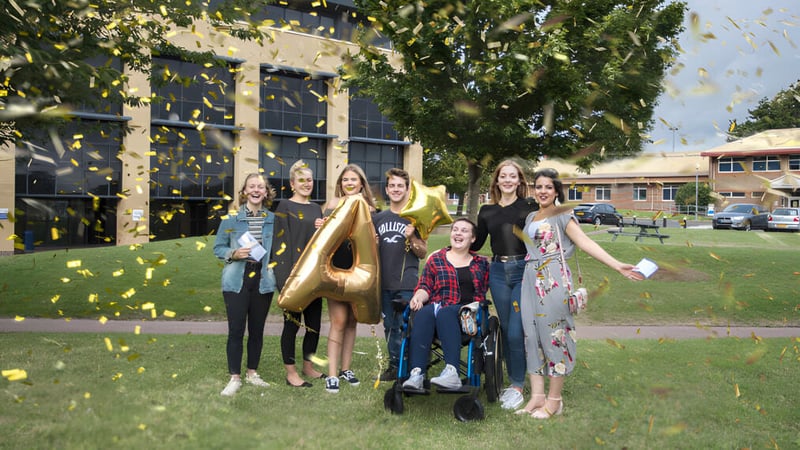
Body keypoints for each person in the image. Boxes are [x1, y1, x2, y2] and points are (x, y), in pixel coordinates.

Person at [517, 168, 642, 418]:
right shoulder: (531, 216)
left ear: (556, 191)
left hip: (552, 278)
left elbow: (586, 242)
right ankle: (537, 396)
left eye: (548, 187)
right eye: (539, 187)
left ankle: (554, 401)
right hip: (529, 278)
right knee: (530, 336)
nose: (543, 191)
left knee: (554, 335)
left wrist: (617, 265)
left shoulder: (563, 215)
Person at [470, 159, 537, 410]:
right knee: (507, 328)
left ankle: (517, 385)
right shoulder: (487, 211)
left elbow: (543, 233)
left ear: (519, 181)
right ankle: (514, 379)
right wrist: (453, 245)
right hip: (497, 273)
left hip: (523, 272)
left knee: (516, 331)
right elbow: (477, 244)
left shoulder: (529, 207)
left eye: (512, 176)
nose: (508, 180)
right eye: (503, 176)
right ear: (497, 181)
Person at [402, 218, 490, 391]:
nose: (458, 233)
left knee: (446, 312)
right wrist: (418, 297)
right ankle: (416, 374)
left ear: (472, 238)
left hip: (467, 315)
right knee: (424, 313)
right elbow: (425, 286)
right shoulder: (436, 259)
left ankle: (452, 373)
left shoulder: (481, 263)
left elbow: (485, 291)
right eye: (455, 229)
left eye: (464, 230)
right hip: (438, 309)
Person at [213, 173, 277, 396]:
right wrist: (234, 253)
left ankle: (252, 373)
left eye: (260, 186)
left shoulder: (273, 219)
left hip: (263, 279)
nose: (256, 190)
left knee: (257, 329)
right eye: (252, 186)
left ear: (266, 192)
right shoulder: (231, 219)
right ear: (244, 191)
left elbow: (278, 250)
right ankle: (234, 378)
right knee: (236, 329)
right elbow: (218, 248)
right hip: (236, 279)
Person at [322, 163, 377, 393]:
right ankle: (332, 374)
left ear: (361, 183)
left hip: (360, 272)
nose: (349, 183)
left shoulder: (370, 208)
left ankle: (346, 369)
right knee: (339, 321)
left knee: (353, 321)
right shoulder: (332, 204)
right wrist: (320, 225)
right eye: (345, 180)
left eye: (354, 179)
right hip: (336, 269)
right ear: (340, 184)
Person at [272, 160, 325, 388]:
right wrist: (284, 280)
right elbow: (279, 245)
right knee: (292, 325)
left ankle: (308, 366)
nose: (306, 184)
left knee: (314, 325)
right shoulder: (284, 206)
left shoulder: (316, 208)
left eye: (310, 180)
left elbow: (319, 243)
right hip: (293, 278)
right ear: (292, 184)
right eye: (301, 180)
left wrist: (322, 229)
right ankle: (291, 373)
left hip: (314, 276)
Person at [373, 168, 428, 381]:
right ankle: (395, 366)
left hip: (407, 282)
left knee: (407, 326)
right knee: (389, 326)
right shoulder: (378, 218)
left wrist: (412, 237)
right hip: (384, 282)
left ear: (407, 190)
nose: (396, 189)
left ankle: (413, 367)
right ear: (387, 190)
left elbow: (422, 252)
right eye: (392, 186)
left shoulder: (415, 218)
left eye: (400, 186)